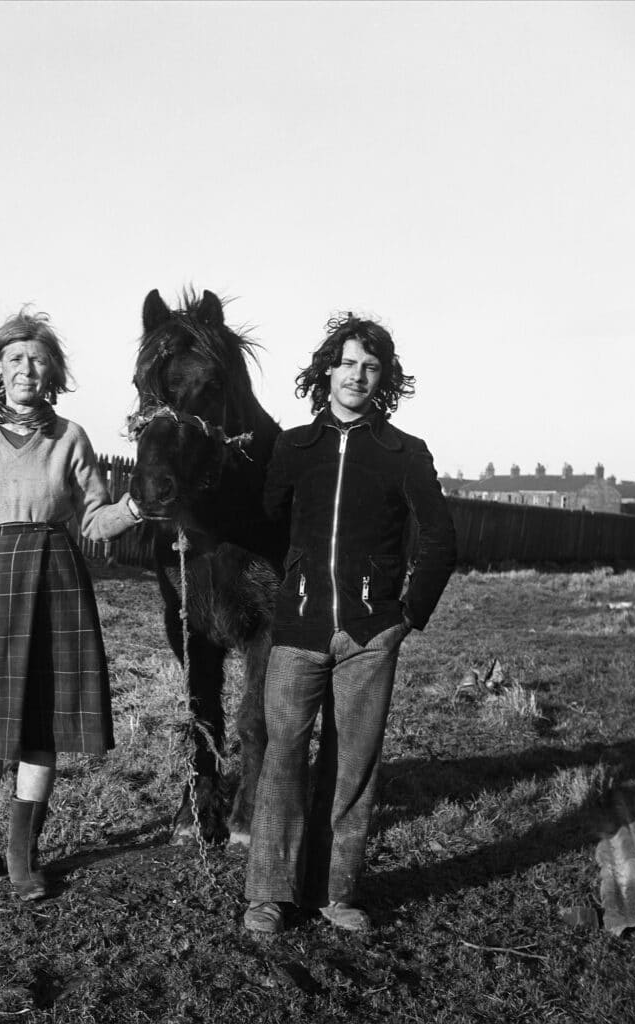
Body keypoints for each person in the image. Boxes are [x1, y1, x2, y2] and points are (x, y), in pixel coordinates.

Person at [243, 313, 456, 934]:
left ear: (382, 378)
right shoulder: (294, 448)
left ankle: (336, 893)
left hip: (369, 635)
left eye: (371, 366)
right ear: (327, 370)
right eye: (348, 363)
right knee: (282, 757)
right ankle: (270, 896)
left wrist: (408, 616)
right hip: (297, 633)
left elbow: (440, 539)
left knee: (352, 765)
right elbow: (263, 524)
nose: (358, 375)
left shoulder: (403, 454)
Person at [0, 307, 141, 902]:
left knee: (42, 721)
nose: (26, 369)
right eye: (15, 358)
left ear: (53, 373)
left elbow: (95, 518)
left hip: (53, 582)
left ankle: (22, 861)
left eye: (38, 359)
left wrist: (138, 507)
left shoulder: (70, 438)